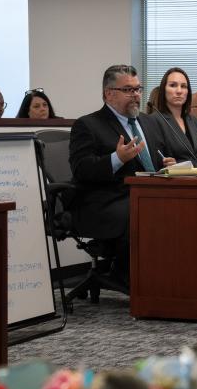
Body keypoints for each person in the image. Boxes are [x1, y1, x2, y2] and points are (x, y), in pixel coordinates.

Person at [68, 64, 174, 286]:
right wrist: (117, 159)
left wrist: (165, 164)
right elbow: (81, 170)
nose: (135, 95)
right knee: (144, 211)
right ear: (109, 93)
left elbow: (154, 161)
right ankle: (125, 273)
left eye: (138, 89)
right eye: (128, 90)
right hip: (104, 201)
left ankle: (168, 276)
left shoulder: (148, 121)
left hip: (143, 195)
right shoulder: (88, 124)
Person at [150, 67, 197, 171]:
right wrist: (181, 167)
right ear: (163, 89)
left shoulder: (195, 121)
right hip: (173, 183)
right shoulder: (154, 121)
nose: (179, 91)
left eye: (184, 86)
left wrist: (196, 170)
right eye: (173, 85)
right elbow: (158, 160)